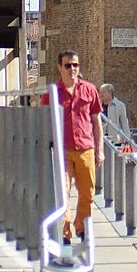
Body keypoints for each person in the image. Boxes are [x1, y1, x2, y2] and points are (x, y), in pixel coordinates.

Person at [47, 51, 103, 250]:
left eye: (75, 65)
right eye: (68, 65)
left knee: (87, 193)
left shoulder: (89, 90)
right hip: (61, 150)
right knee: (63, 193)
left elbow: (96, 121)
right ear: (60, 67)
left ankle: (81, 226)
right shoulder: (52, 92)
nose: (72, 69)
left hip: (85, 147)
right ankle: (64, 233)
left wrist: (100, 149)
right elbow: (45, 121)